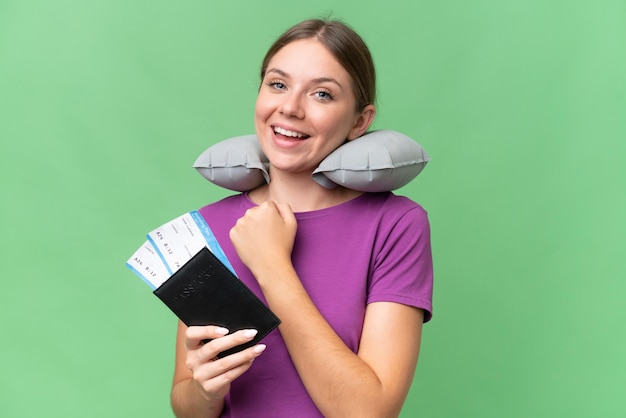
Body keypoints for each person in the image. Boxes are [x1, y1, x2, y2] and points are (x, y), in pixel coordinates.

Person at [170, 18, 433, 418]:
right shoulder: (205, 228)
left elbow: (368, 411)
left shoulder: (395, 225)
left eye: (322, 94)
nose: (290, 108)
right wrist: (206, 390)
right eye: (277, 84)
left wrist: (272, 265)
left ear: (360, 121)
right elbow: (185, 404)